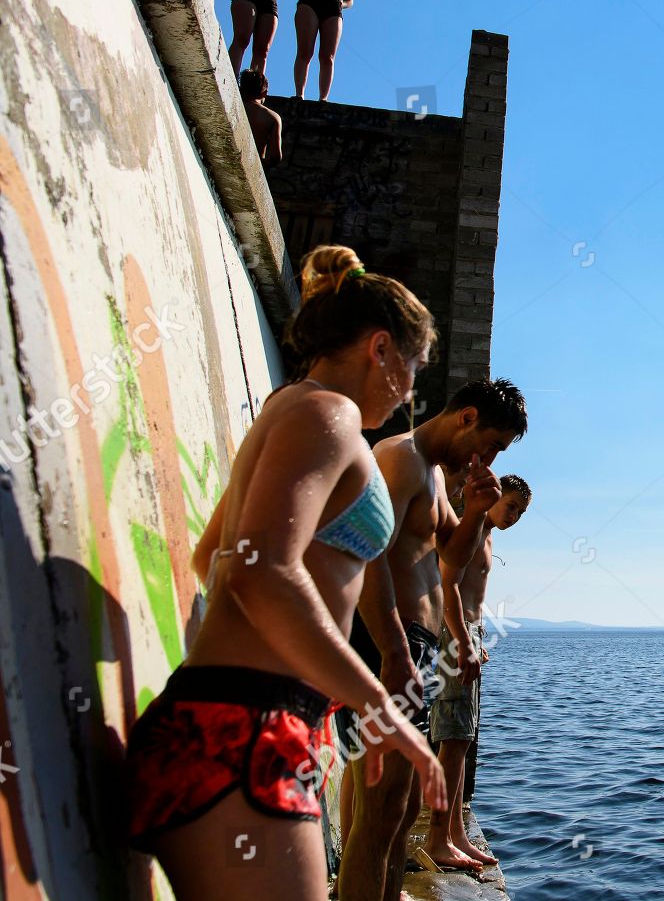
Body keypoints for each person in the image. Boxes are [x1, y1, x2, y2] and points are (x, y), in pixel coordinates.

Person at [124, 246, 446, 901]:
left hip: (230, 724)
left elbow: (214, 554)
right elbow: (260, 570)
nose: (412, 391)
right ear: (379, 347)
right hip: (245, 739)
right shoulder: (332, 415)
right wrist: (377, 701)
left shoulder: (291, 407)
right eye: (412, 367)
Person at [338, 379, 528, 901]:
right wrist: (396, 653)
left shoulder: (435, 477)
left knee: (396, 814)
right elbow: (367, 553)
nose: (488, 457)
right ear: (466, 417)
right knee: (378, 818)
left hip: (412, 646)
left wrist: (472, 513)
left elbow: (451, 557)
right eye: (490, 443)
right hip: (386, 642)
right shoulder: (399, 459)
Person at [422, 475, 531, 869]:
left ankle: (454, 834)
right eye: (513, 506)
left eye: (522, 512)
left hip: (467, 635)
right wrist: (462, 642)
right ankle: (439, 839)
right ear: (495, 496)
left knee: (462, 740)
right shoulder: (468, 528)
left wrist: (474, 636)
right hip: (455, 639)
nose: (516, 516)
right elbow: (446, 586)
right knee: (452, 738)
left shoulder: (486, 535)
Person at [239, 69, 282, 164]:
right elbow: (275, 157)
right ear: (264, 93)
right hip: (251, 164)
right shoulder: (272, 117)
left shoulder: (233, 105)